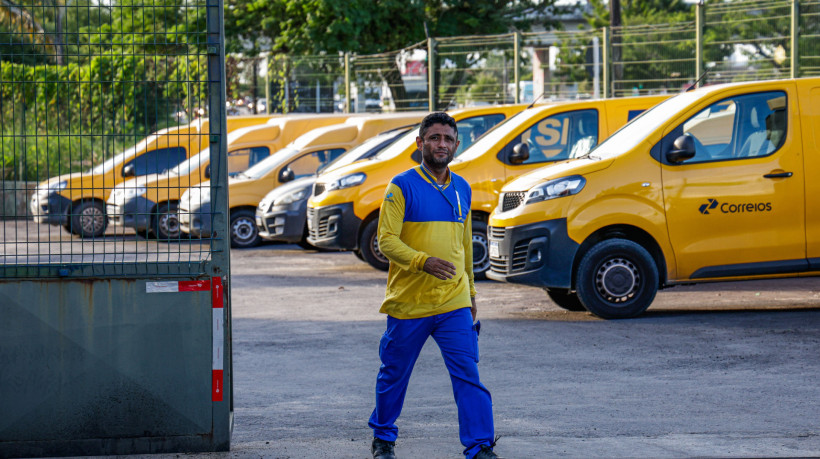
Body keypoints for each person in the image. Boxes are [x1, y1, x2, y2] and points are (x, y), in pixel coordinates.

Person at [368, 112, 499, 459]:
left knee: (468, 373)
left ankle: (480, 446)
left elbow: (464, 245)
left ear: (457, 145)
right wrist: (422, 261)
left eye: (448, 139)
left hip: (453, 301)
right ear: (420, 143)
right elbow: (386, 240)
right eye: (434, 138)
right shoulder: (401, 186)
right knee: (394, 373)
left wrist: (471, 292)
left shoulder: (462, 188)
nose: (442, 144)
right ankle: (383, 437)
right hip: (409, 302)